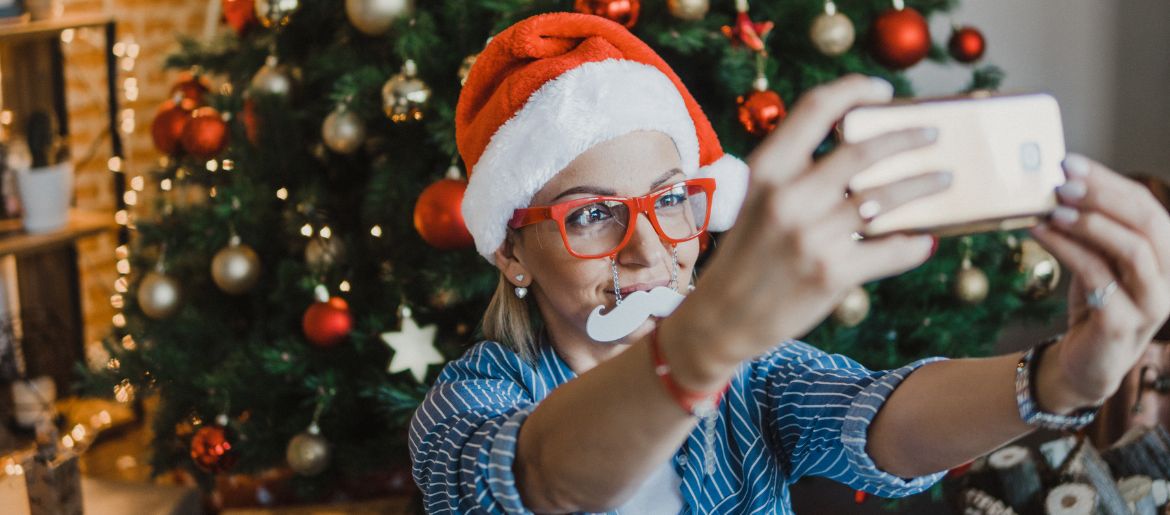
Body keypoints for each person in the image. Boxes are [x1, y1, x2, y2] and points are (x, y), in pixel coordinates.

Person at [409, 12, 1170, 514]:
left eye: (671, 200)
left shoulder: (754, 371)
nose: (650, 249)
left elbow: (884, 418)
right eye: (592, 214)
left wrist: (1060, 379)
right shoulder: (466, 403)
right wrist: (703, 343)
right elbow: (541, 478)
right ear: (511, 250)